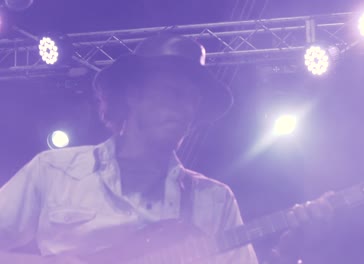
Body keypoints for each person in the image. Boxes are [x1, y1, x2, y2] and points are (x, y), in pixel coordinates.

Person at [0, 34, 259, 263]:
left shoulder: (215, 200)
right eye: (174, 94)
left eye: (193, 101)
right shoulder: (54, 171)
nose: (185, 110)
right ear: (133, 95)